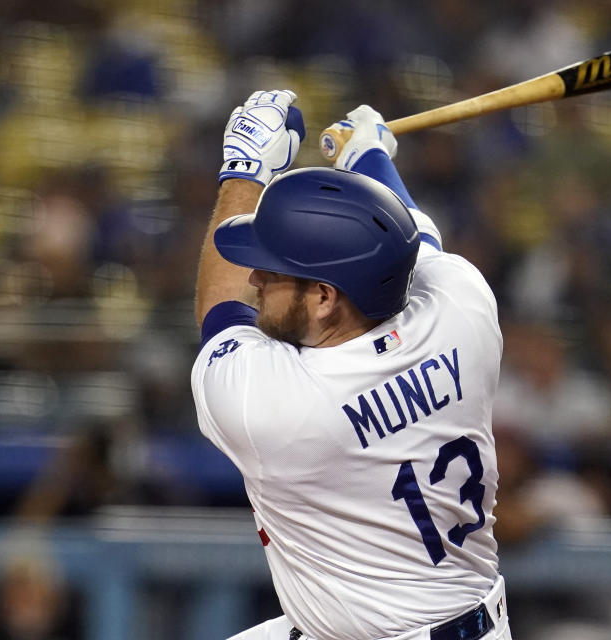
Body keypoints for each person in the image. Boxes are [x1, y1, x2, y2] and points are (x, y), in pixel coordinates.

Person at [190, 90, 511, 640]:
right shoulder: (463, 307)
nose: (253, 280)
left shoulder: (280, 409)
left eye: (273, 270)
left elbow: (219, 310)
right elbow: (410, 236)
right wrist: (367, 156)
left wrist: (244, 170)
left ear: (323, 297)